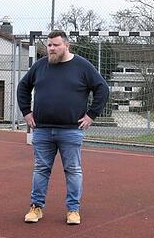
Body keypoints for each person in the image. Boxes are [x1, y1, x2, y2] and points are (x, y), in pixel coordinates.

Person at [17, 30, 109, 225]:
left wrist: (91, 115)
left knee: (73, 169)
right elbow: (23, 87)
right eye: (49, 45)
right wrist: (26, 111)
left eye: (55, 45)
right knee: (41, 169)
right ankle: (36, 207)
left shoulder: (82, 66)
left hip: (70, 130)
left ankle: (73, 210)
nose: (51, 48)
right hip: (42, 129)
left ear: (67, 45)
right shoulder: (40, 66)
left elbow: (102, 88)